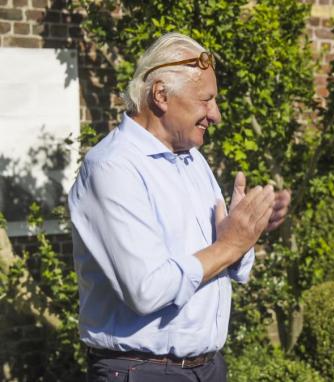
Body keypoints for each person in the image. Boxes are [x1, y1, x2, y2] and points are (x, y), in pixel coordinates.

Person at [68, 32, 291, 382]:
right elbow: (146, 290)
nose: (215, 115)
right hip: (142, 371)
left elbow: (225, 261)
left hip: (208, 366)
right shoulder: (113, 167)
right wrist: (230, 243)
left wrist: (249, 228)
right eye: (206, 100)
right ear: (160, 95)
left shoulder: (193, 160)